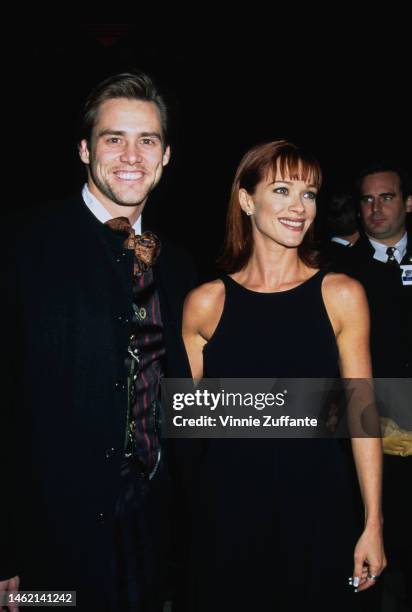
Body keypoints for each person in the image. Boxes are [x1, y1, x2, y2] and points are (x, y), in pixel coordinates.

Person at [1, 71, 196, 611]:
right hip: (48, 539)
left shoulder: (182, 266)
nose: (131, 155)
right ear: (85, 149)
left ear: (166, 156)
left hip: (154, 528)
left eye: (147, 140)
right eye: (115, 138)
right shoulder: (20, 247)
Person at [182, 140, 386, 611]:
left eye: (310, 194)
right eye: (282, 190)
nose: (300, 208)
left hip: (320, 510)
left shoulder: (341, 295)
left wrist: (373, 522)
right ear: (246, 200)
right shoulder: (204, 304)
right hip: (228, 515)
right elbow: (187, 431)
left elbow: (364, 417)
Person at [343, 163, 412, 610]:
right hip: (370, 436)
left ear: (407, 203)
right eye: (367, 199)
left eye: (386, 197)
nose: (376, 208)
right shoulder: (339, 267)